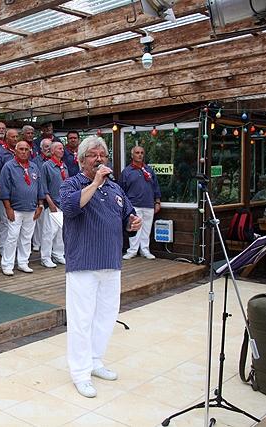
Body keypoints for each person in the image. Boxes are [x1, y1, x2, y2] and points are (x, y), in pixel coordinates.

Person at [60, 135, 141, 398]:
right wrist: (95, 183)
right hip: (83, 263)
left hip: (111, 262)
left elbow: (127, 216)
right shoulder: (72, 184)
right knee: (81, 320)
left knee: (106, 316)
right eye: (93, 155)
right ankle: (80, 373)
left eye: (102, 155)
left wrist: (133, 222)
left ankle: (95, 361)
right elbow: (70, 207)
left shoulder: (115, 188)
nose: (99, 159)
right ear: (81, 160)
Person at [0, 140, 44, 276]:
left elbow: (40, 187)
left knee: (27, 237)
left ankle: (23, 262)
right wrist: (8, 208)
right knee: (12, 237)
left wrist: (40, 205)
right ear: (15, 151)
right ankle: (7, 265)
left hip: (31, 208)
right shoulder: (8, 167)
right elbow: (4, 188)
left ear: (30, 151)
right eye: (21, 149)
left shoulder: (34, 167)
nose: (24, 152)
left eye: (26, 149)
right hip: (15, 209)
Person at [118, 145, 161, 260]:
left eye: (142, 153)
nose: (140, 155)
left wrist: (157, 201)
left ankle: (145, 250)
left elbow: (156, 187)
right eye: (137, 153)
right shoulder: (127, 172)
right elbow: (121, 190)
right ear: (132, 155)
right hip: (133, 205)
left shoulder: (149, 170)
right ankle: (132, 251)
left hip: (149, 204)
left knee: (146, 229)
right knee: (134, 228)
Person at [40, 140, 68, 268]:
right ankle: (45, 257)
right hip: (52, 204)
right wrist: (50, 203)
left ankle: (58, 254)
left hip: (64, 203)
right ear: (52, 151)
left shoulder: (64, 166)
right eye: (59, 148)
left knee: (61, 231)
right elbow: (43, 186)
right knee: (49, 232)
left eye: (62, 148)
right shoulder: (46, 166)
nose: (62, 150)